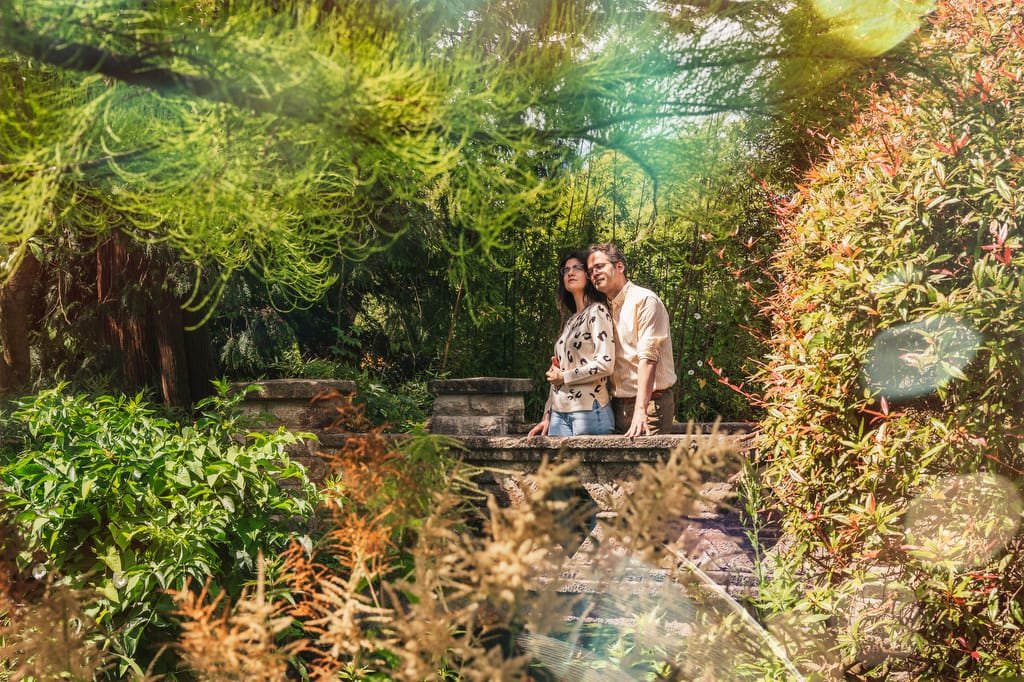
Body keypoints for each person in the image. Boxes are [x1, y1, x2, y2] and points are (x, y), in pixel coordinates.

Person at [586, 243, 676, 436]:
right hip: (617, 406)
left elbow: (648, 358)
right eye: (591, 270)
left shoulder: (644, 300)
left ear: (619, 267)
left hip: (651, 405)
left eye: (600, 266)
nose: (594, 273)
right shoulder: (602, 309)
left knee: (651, 467)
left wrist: (641, 410)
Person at [527, 250, 616, 437]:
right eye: (565, 270)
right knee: (555, 467)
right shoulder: (570, 322)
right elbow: (556, 374)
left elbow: (605, 365)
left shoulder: (597, 312)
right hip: (559, 414)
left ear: (588, 276)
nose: (570, 273)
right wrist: (547, 414)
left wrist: (564, 376)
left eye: (577, 268)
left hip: (589, 410)